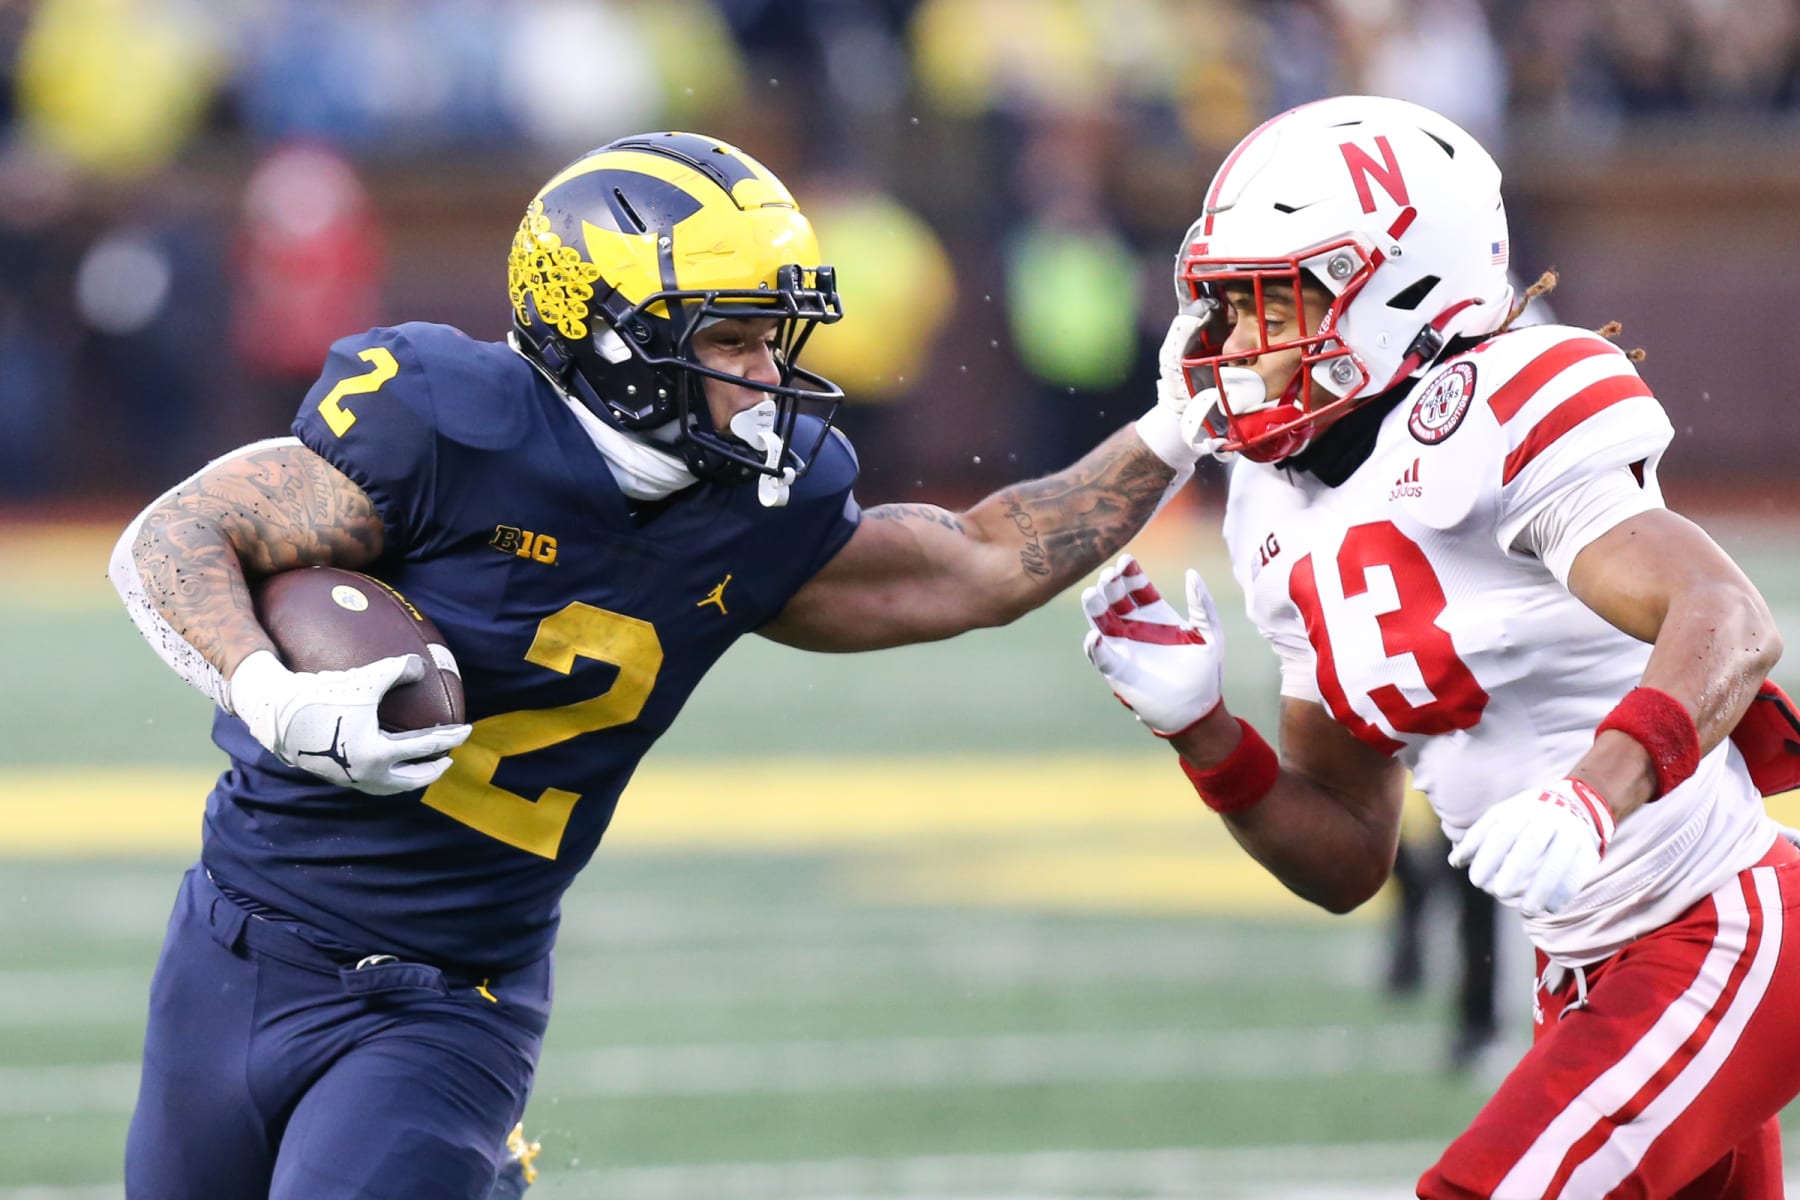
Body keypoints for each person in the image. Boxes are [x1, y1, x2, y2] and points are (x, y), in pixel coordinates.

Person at [107, 131, 1205, 1198]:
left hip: (451, 998)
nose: (766, 377)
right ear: (608, 337)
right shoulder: (445, 424)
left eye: (774, 337)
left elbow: (981, 563)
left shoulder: (765, 511)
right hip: (231, 944)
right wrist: (275, 696)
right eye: (730, 339)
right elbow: (172, 539)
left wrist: (1174, 427)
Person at [1079, 95, 1799, 1198]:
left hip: (1713, 925)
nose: (1229, 346)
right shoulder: (1270, 507)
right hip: (1581, 971)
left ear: (1400, 285)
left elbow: (1729, 618)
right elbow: (1349, 856)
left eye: (1266, 305)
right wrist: (1205, 736)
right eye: (1220, 309)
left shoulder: (1505, 400)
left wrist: (1592, 796)